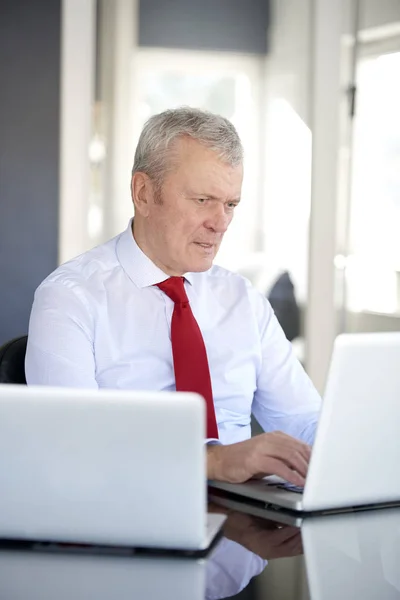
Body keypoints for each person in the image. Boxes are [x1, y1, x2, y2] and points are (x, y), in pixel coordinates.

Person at [26, 107, 321, 486]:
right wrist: (213, 462)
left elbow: (305, 422)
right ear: (144, 193)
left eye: (231, 204)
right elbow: (69, 445)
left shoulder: (242, 300)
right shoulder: (70, 299)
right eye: (202, 200)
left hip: (245, 524)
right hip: (125, 516)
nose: (220, 223)